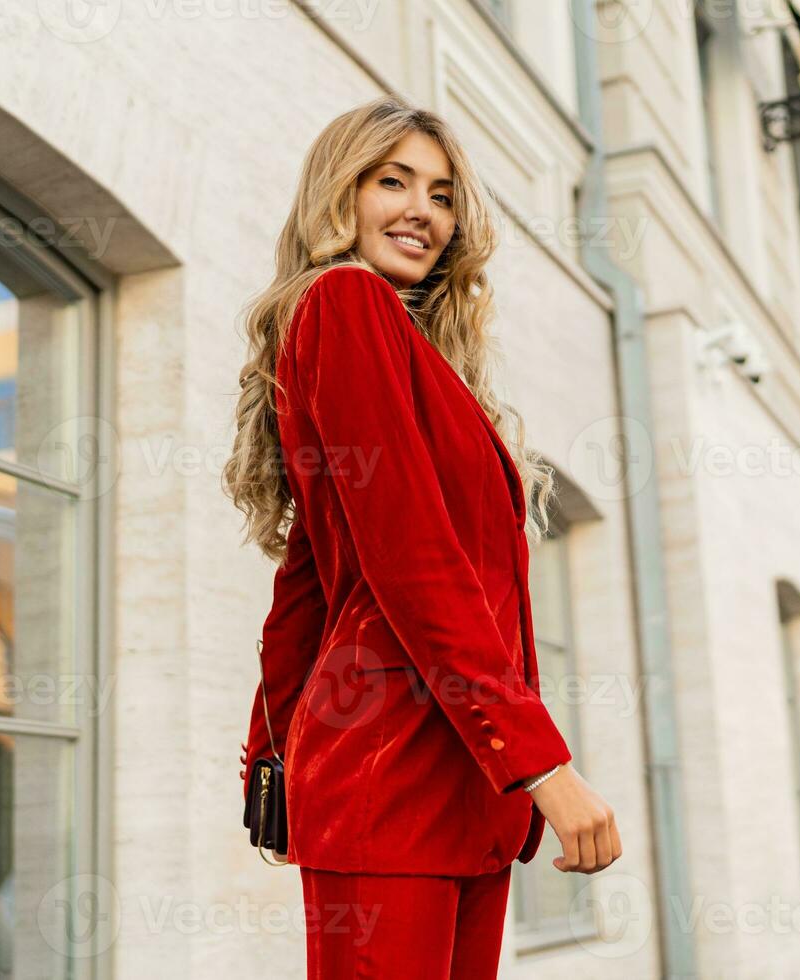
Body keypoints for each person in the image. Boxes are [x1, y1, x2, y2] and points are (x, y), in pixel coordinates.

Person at [224, 95, 622, 978]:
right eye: (391, 182)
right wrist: (543, 766)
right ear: (340, 194)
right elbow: (413, 564)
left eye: (442, 195)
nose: (422, 212)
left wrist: (277, 757)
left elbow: (313, 579)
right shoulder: (344, 303)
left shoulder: (411, 350)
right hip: (394, 782)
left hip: (459, 789)